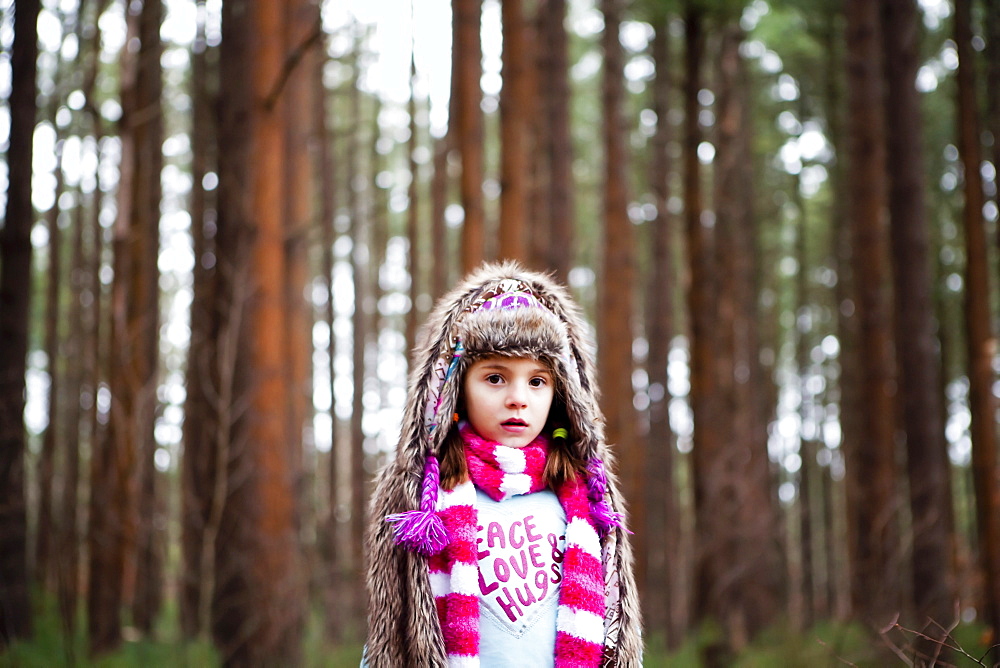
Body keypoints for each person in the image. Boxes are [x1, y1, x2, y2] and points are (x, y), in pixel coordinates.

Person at [363, 262, 642, 667]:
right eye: (495, 378)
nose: (518, 398)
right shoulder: (423, 502)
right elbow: (389, 634)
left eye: (537, 381)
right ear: (458, 389)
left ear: (561, 395)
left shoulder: (585, 501)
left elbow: (616, 625)